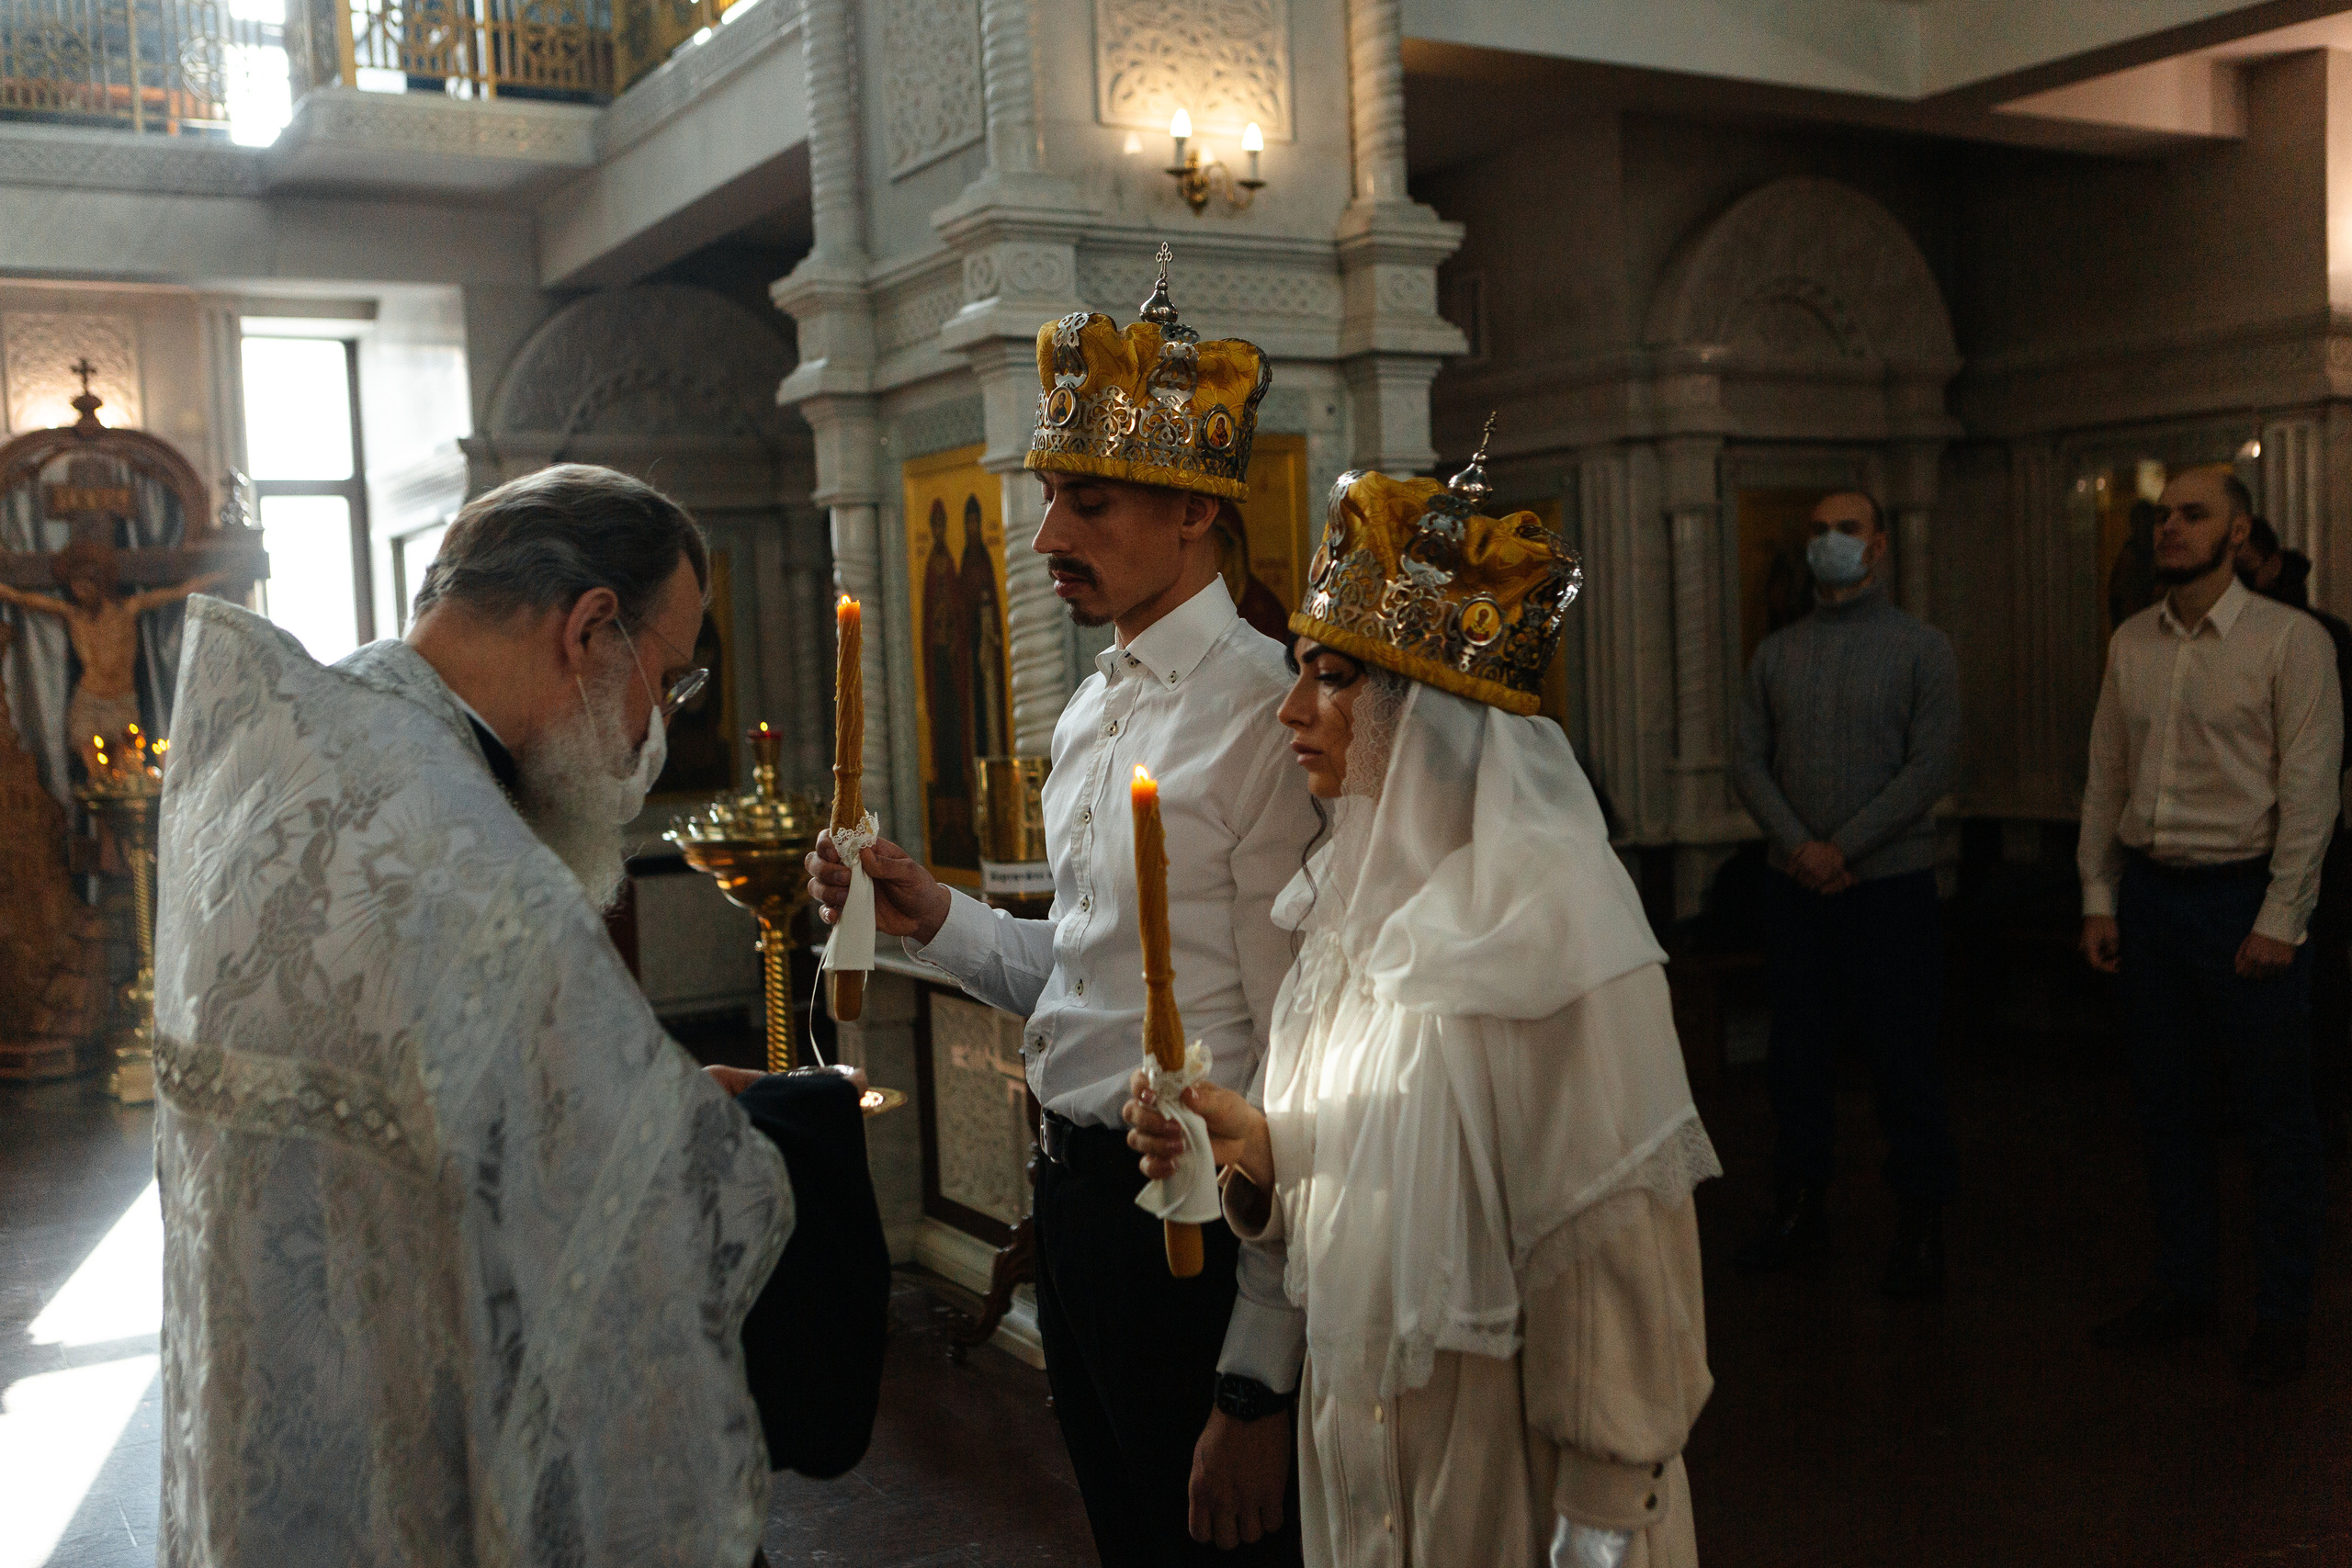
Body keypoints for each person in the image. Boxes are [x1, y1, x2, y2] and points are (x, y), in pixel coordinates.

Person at [154, 463, 890, 1567]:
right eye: (669, 680)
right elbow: (639, 1212)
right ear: (590, 629)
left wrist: (630, 1093)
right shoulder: (470, 857)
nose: (654, 726)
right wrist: (800, 1120)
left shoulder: (295, 760)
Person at [808, 253, 1317, 1565]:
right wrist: (932, 914)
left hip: (1198, 1232)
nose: (1044, 539)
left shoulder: (1269, 716)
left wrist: (1257, 1374)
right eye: (1047, 499)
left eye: (1087, 503)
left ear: (1195, 509)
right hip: (1080, 1214)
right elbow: (1087, 980)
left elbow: (1294, 1059)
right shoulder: (1093, 705)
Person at [1120, 454, 1718, 1568]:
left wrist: (1597, 1517)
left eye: (1334, 679)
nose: (1293, 709)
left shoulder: (1553, 934)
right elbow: (1370, 1163)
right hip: (1362, 1438)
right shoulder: (1347, 917)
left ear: (1434, 713)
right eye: (1299, 672)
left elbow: (1611, 1252)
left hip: (1507, 1468)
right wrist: (1248, 1144)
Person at [2078, 468, 2341, 1389]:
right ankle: (2184, 1290)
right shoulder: (2132, 642)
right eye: (2163, 516)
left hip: (2242, 899)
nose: (2170, 529)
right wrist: (2099, 896)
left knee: (2275, 1120)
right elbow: (2106, 776)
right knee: (2167, 1109)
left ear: (2238, 534)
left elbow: (2310, 793)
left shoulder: (2289, 641)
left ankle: (2282, 1315)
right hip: (2153, 898)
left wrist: (2280, 918)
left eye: (2193, 515)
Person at [1727, 490, 1959, 1296]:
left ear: (1879, 545)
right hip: (1795, 886)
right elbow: (1747, 761)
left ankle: (1921, 1221)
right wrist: (1803, 847)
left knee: (1904, 1058)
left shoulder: (1923, 649)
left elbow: (1930, 767)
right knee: (1796, 1058)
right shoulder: (1776, 653)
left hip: (1889, 888)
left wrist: (1841, 847)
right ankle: (1800, 1208)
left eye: (1847, 529)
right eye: (1819, 529)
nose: (1831, 541)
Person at [2236, 515, 2352, 1153]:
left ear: (2272, 563)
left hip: (2314, 841)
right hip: (2245, 848)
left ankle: (2315, 1114)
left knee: (2315, 985)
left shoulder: (2316, 637)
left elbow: (2335, 750)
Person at [0, 537, 226, 768]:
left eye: (83, 586)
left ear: (98, 584)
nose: (78, 593)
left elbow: (177, 592)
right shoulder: (73, 616)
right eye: (74, 587)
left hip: (122, 702)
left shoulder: (128, 610)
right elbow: (24, 599)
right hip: (88, 702)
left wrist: (217, 576)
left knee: (126, 770)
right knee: (96, 774)